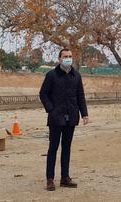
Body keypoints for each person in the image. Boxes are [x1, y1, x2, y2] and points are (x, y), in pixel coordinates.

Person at [39, 47, 89, 191]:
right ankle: (50, 179)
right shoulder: (51, 75)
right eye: (65, 56)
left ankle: (65, 178)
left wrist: (84, 114)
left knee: (66, 148)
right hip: (56, 118)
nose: (68, 58)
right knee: (53, 148)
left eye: (70, 56)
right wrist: (51, 109)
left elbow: (80, 96)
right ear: (60, 59)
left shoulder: (77, 76)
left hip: (71, 117)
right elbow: (43, 94)